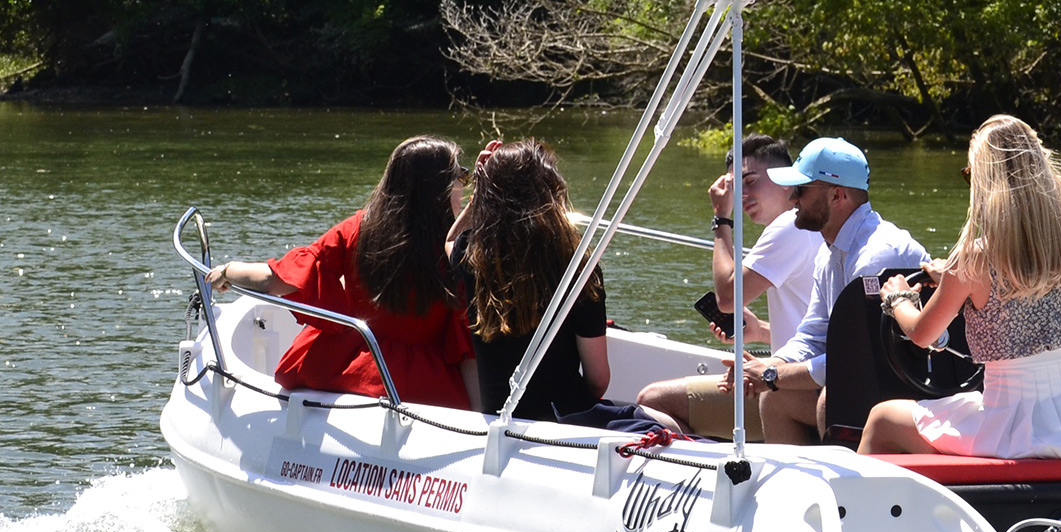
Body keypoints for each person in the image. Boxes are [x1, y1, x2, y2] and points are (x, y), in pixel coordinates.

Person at [864, 115, 1061, 460]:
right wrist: (954, 283)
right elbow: (1030, 292)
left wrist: (898, 297)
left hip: (1011, 421)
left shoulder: (973, 260)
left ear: (986, 182)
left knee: (881, 419)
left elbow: (922, 335)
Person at [209, 136, 481, 409]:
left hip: (346, 366)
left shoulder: (358, 230)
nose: (464, 187)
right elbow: (465, 347)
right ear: (438, 188)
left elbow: (280, 279)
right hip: (424, 385)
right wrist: (483, 419)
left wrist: (228, 271)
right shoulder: (456, 249)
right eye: (461, 177)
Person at [736, 136, 925, 445]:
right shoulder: (829, 252)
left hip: (908, 386)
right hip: (873, 379)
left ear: (838, 196)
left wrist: (770, 376)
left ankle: (843, 490)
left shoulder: (876, 256)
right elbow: (813, 336)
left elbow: (854, 360)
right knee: (776, 397)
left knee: (830, 399)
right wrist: (766, 367)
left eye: (801, 189)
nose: (792, 198)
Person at [633, 134, 820, 437]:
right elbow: (817, 334)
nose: (742, 194)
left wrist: (721, 219)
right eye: (735, 186)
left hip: (794, 389)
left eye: (750, 181)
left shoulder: (790, 226)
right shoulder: (810, 225)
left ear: (786, 180)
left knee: (653, 401)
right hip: (797, 379)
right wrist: (760, 331)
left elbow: (728, 299)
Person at [448, 138, 612, 421]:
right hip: (561, 420)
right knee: (667, 423)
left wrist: (480, 190)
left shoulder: (475, 258)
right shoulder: (579, 267)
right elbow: (598, 380)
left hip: (500, 419)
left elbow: (450, 239)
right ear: (552, 194)